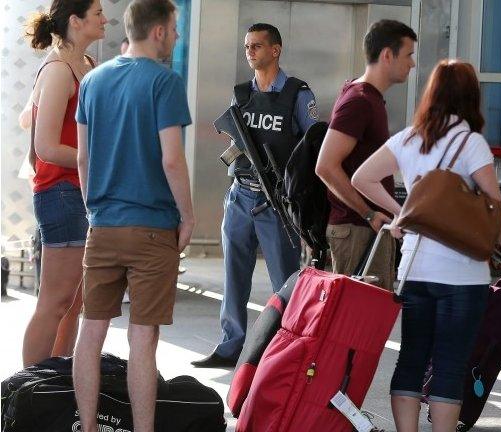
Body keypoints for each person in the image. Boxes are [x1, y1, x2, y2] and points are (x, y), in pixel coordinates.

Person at [352, 60, 501, 432]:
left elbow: (361, 177)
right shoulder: (470, 142)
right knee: (450, 363)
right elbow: (497, 210)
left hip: (415, 269)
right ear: (470, 96)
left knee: (411, 360)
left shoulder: (410, 138)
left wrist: (404, 215)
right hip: (463, 276)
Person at [72, 1, 194, 431]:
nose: (177, 37)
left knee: (91, 332)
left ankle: (86, 427)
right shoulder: (165, 82)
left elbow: (84, 158)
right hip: (153, 230)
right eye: (175, 29)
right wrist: (189, 216)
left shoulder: (92, 81)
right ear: (158, 31)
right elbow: (172, 161)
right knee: (142, 339)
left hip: (102, 226)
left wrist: (95, 211)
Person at [191, 23, 318, 368]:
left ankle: (283, 351)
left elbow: (313, 146)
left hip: (276, 200)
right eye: (247, 46)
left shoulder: (297, 93)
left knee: (284, 282)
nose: (250, 52)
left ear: (275, 50)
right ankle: (231, 346)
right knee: (233, 275)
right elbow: (236, 140)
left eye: (257, 46)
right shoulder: (242, 94)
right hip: (240, 196)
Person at [20, 0, 106, 367]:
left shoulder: (87, 65)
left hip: (84, 192)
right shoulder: (57, 71)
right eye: (98, 13)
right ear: (76, 20)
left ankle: (55, 386)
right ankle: (25, 394)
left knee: (74, 302)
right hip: (61, 194)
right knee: (55, 301)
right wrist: (100, 161)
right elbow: (45, 147)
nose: (105, 18)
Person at [316, 19, 416, 291]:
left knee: (367, 321)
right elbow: (325, 166)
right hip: (357, 230)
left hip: (366, 228)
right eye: (408, 55)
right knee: (355, 324)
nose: (413, 63)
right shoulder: (359, 100)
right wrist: (368, 213)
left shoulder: (368, 97)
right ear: (387, 55)